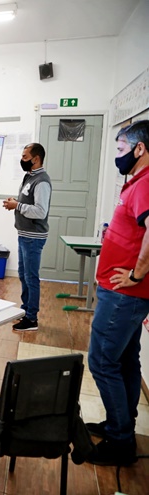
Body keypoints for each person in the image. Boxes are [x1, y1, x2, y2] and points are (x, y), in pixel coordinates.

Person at [85, 120, 149, 467]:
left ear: (140, 148)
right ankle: (120, 424)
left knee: (101, 361)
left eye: (122, 149)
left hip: (124, 294)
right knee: (125, 360)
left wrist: (136, 273)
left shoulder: (146, 182)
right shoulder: (138, 182)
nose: (118, 155)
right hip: (129, 295)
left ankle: (121, 440)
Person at [2, 143, 51, 332]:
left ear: (36, 159)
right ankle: (26, 311)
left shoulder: (42, 181)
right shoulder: (29, 176)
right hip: (24, 234)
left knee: (31, 277)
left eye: (24, 157)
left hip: (33, 237)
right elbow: (26, 201)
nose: (22, 160)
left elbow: (40, 211)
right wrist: (15, 202)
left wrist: (18, 206)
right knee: (24, 275)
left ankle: (32, 319)